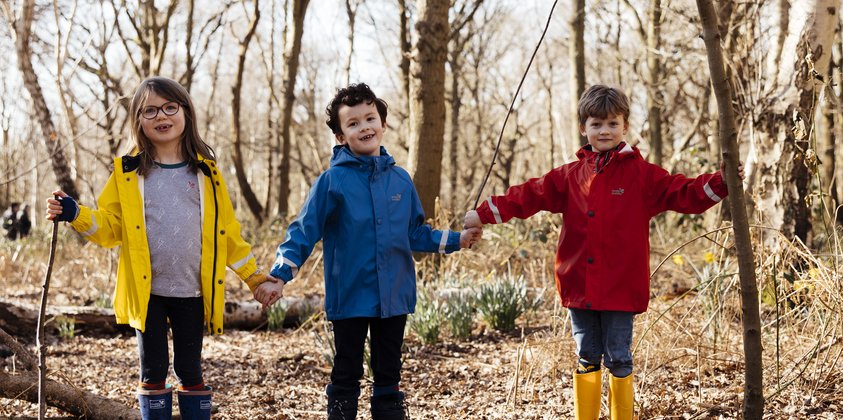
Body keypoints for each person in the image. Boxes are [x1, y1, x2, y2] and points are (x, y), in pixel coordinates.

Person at [463, 85, 742, 420]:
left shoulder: (642, 175)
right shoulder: (570, 175)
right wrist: (482, 213)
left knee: (620, 357)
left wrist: (721, 182)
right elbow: (530, 195)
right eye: (596, 124)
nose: (604, 130)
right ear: (584, 128)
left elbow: (683, 192)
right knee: (586, 356)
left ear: (624, 127)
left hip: (621, 287)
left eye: (612, 123)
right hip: (578, 285)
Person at [254, 83, 482, 420]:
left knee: (388, 371)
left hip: (395, 296)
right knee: (346, 370)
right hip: (350, 298)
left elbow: (415, 233)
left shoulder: (401, 180)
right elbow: (303, 231)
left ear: (383, 124)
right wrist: (279, 276)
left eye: (370, 118)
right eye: (354, 123)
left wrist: (457, 240)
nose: (365, 127)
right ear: (341, 136)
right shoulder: (332, 182)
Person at [45, 76, 267, 420]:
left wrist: (254, 277)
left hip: (193, 290)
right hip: (146, 291)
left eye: (169, 107)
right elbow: (111, 226)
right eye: (149, 111)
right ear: (138, 121)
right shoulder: (128, 172)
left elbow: (227, 235)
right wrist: (75, 213)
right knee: (153, 370)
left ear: (186, 113)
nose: (160, 116)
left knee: (190, 370)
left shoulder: (207, 174)